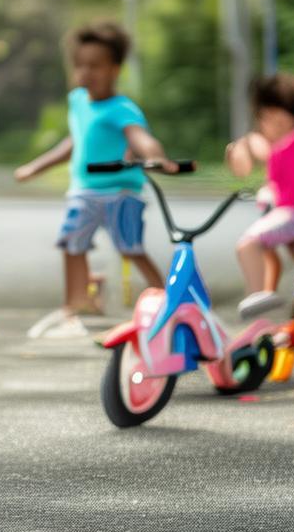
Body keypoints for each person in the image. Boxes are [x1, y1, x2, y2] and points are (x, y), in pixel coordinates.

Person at [15, 21, 175, 338]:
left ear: (115, 69)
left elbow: (141, 138)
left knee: (130, 248)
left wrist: (156, 157)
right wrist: (37, 166)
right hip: (84, 191)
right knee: (72, 243)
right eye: (80, 65)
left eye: (96, 66)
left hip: (121, 191)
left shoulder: (122, 108)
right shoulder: (77, 101)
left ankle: (168, 301)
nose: (86, 72)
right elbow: (73, 143)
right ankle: (76, 306)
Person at [225, 74, 294, 319]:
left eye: (268, 117)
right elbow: (274, 180)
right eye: (263, 118)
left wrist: (248, 144)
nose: (265, 124)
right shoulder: (293, 143)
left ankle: (256, 297)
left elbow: (262, 153)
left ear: (285, 116)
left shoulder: (293, 141)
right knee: (284, 248)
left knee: (249, 244)